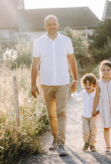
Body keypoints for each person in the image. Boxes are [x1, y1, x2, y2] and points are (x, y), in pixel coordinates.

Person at [31, 15, 78, 156]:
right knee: (51, 115)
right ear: (45, 26)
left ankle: (61, 143)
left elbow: (71, 61)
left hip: (63, 83)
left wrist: (75, 79)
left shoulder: (66, 41)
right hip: (46, 84)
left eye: (53, 23)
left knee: (61, 113)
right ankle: (55, 139)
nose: (51, 26)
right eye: (48, 24)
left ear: (58, 25)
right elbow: (34, 64)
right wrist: (33, 84)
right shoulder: (39, 42)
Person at [71, 73, 98, 152]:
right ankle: (86, 142)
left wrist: (97, 111)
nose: (88, 86)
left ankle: (92, 144)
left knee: (93, 130)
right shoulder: (83, 93)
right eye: (85, 85)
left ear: (94, 84)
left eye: (90, 84)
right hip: (85, 116)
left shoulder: (96, 93)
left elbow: (98, 102)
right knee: (86, 130)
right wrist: (73, 92)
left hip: (93, 115)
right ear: (83, 85)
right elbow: (77, 98)